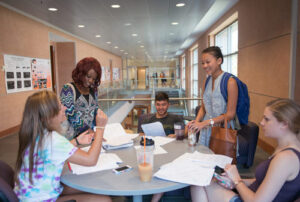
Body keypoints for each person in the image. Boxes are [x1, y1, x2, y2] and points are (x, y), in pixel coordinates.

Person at [191, 98, 300, 202]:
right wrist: (235, 181)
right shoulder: (285, 149)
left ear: (284, 124)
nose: (261, 123)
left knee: (198, 183)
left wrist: (237, 180)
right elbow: (263, 182)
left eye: (267, 119)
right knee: (204, 182)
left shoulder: (286, 158)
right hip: (251, 193)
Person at [14, 90, 111, 202]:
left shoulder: (35, 134)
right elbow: (91, 160)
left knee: (92, 185)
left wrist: (77, 141)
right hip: (42, 199)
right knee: (104, 199)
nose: (65, 108)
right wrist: (100, 128)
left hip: (28, 195)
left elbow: (51, 150)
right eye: (60, 106)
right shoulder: (53, 139)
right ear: (49, 115)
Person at [138, 91, 185, 202]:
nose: (161, 107)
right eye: (158, 105)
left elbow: (183, 134)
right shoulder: (147, 120)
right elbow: (140, 135)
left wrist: (175, 135)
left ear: (168, 104)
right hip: (152, 152)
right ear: (155, 104)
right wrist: (144, 135)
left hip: (170, 152)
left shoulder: (175, 119)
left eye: (163, 105)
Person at [186, 46, 238, 146]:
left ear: (219, 61)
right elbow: (203, 107)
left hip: (222, 130)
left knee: (218, 159)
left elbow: (230, 114)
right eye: (202, 63)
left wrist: (205, 123)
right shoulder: (207, 81)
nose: (204, 66)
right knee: (204, 157)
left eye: (208, 62)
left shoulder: (230, 82)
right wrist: (196, 123)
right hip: (205, 128)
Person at [60, 57, 102, 143]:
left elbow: (95, 111)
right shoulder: (67, 89)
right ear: (81, 73)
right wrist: (88, 130)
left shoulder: (93, 91)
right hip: (71, 140)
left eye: (94, 79)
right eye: (88, 76)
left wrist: (98, 130)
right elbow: (70, 114)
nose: (90, 81)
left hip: (89, 138)